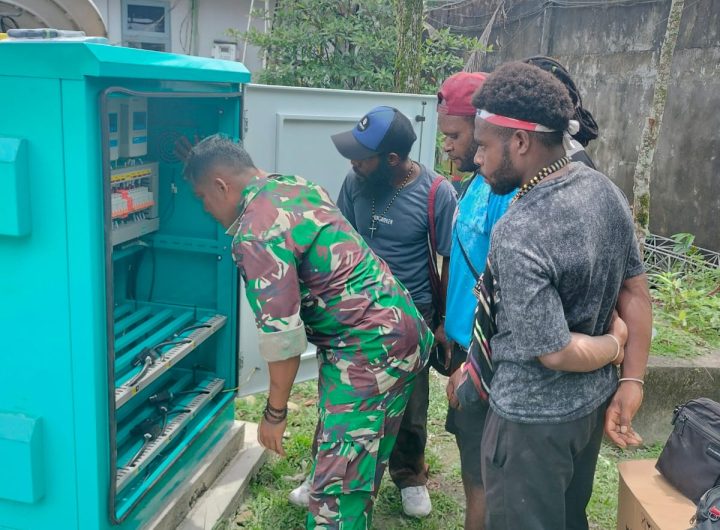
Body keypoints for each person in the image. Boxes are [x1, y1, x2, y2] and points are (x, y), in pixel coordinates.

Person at [183, 135, 434, 529]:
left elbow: (283, 341)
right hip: (404, 329)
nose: (204, 208)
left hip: (368, 352)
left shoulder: (256, 233)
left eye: (202, 197)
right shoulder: (294, 185)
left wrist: (275, 413)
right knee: (362, 459)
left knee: (337, 498)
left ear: (221, 185)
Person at [452, 62, 651, 529]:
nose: (477, 159)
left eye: (484, 145)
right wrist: (631, 380)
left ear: (520, 142)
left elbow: (556, 352)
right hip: (587, 413)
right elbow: (637, 293)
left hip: (530, 426)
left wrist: (614, 346)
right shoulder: (605, 191)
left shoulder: (521, 229)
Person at [329, 105, 457, 517]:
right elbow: (343, 241)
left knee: (411, 405)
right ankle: (334, 475)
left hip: (411, 319)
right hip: (359, 313)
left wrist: (443, 323)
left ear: (392, 159)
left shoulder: (437, 193)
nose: (353, 162)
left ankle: (410, 475)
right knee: (346, 398)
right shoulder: (355, 182)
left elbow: (450, 261)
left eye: (362, 156)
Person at [436, 71, 513, 530]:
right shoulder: (476, 184)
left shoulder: (505, 191)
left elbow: (507, 287)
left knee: (486, 473)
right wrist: (449, 324)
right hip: (465, 345)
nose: (447, 146)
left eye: (455, 136)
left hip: (487, 356)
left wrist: (476, 362)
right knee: (471, 461)